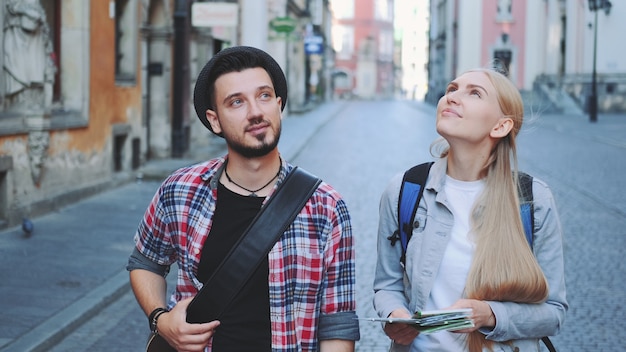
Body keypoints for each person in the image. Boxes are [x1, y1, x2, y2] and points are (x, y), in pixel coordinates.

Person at [127, 46, 360, 352]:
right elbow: (145, 260)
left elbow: (337, 322)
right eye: (236, 102)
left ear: (278, 105)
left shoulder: (326, 208)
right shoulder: (180, 190)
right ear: (215, 120)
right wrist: (160, 319)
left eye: (264, 96)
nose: (255, 112)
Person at [373, 68, 567, 352]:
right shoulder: (405, 190)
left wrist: (489, 315)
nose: (452, 97)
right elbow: (386, 285)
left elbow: (553, 312)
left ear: (500, 126)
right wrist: (395, 315)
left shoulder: (532, 200)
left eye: (474, 93)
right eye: (452, 89)